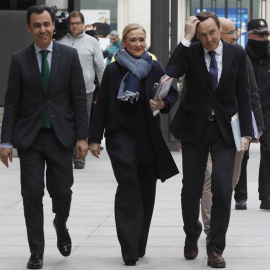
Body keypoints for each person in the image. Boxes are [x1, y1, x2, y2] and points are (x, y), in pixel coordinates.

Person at [0, 5, 89, 269]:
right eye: (37, 25)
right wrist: (5, 141)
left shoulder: (69, 56)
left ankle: (60, 224)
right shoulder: (19, 58)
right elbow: (12, 103)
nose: (43, 29)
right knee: (31, 194)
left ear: (53, 26)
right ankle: (36, 251)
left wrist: (82, 137)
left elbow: (79, 100)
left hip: (61, 137)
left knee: (61, 191)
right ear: (29, 28)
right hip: (30, 139)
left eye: (47, 24)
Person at [167, 11, 252, 268]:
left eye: (213, 33)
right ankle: (191, 234)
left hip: (225, 131)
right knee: (191, 189)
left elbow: (244, 93)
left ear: (220, 31)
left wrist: (247, 132)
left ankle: (215, 247)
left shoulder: (237, 54)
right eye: (203, 35)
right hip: (194, 129)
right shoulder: (190, 52)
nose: (209, 39)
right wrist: (186, 38)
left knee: (223, 188)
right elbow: (172, 71)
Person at [89, 23, 179, 266]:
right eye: (133, 40)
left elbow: (172, 93)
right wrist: (95, 138)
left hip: (148, 138)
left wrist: (162, 104)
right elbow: (102, 104)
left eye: (141, 39)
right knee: (128, 186)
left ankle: (139, 244)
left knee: (146, 192)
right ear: (124, 43)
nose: (138, 44)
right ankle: (129, 249)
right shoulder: (113, 70)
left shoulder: (154, 67)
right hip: (121, 137)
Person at [200, 17, 264, 238]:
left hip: (233, 128)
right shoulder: (199, 55)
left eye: (235, 32)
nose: (235, 36)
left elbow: (250, 93)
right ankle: (211, 230)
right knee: (208, 178)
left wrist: (256, 126)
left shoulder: (239, 55)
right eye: (229, 33)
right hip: (205, 128)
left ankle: (217, 223)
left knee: (228, 182)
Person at [57, 11, 105, 169]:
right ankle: (66, 151)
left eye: (77, 23)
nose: (75, 26)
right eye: (72, 23)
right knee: (64, 121)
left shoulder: (92, 42)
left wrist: (104, 89)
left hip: (86, 90)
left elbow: (100, 67)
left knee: (82, 122)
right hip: (62, 91)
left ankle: (79, 156)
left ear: (83, 24)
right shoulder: (60, 41)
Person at [241, 19, 270, 210]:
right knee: (241, 153)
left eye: (266, 34)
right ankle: (239, 195)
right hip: (244, 109)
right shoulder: (240, 57)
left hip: (267, 110)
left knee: (268, 152)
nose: (264, 38)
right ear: (250, 35)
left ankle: (266, 196)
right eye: (260, 35)